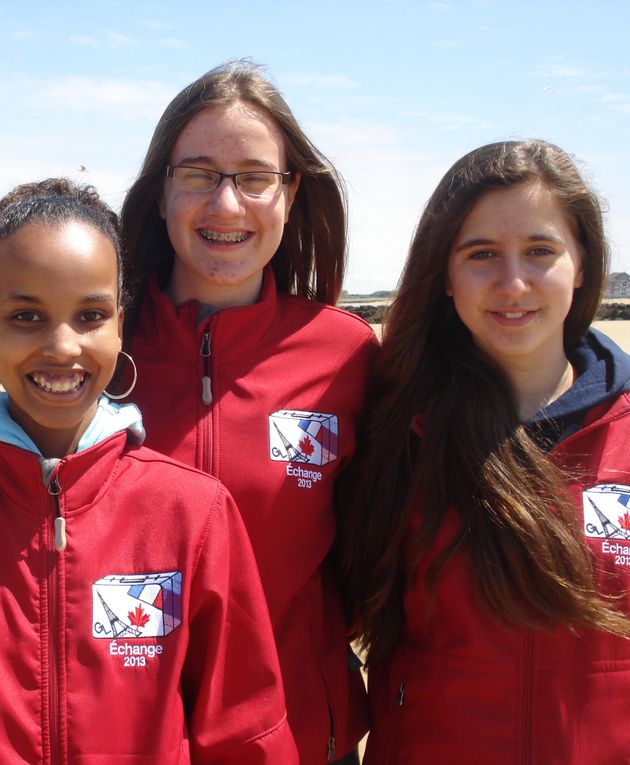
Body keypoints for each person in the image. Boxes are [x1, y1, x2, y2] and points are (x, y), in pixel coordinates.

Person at [0, 178, 299, 764]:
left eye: (90, 315)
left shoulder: (193, 512)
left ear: (120, 325)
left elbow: (244, 729)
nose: (62, 346)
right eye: (27, 315)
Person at [337, 140, 630, 764]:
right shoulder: (395, 430)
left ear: (583, 264)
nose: (513, 283)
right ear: (445, 278)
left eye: (540, 251)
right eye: (481, 255)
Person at [119, 60, 376, 762]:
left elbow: (383, 547)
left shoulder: (347, 356)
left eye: (255, 177)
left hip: (299, 737)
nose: (226, 205)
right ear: (162, 191)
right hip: (128, 738)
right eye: (199, 174)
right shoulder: (95, 349)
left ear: (291, 195)